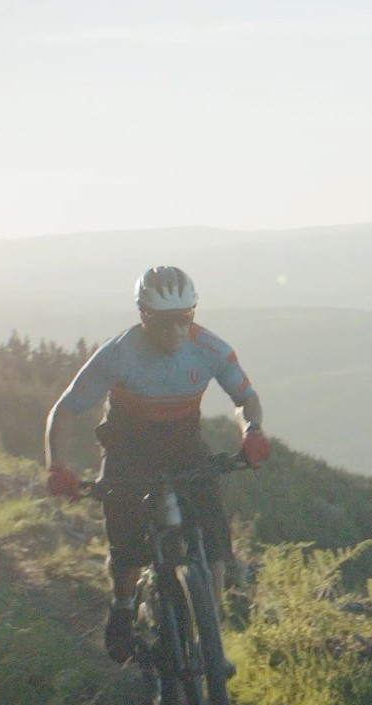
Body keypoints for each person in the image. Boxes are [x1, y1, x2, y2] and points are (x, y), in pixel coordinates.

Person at [44, 266, 270, 663]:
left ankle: (208, 635)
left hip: (183, 443)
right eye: (166, 322)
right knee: (128, 543)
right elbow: (64, 412)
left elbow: (245, 397)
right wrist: (57, 465)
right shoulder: (117, 355)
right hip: (127, 444)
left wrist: (251, 430)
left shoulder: (212, 349)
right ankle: (124, 605)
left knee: (215, 538)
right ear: (144, 316)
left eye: (186, 319)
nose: (178, 331)